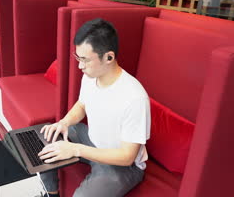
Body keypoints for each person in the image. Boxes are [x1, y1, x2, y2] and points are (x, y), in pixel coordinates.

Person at [38, 18, 151, 197]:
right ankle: (51, 194)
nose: (79, 65)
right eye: (78, 58)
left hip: (122, 164)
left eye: (84, 60)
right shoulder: (90, 76)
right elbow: (82, 104)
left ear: (109, 57)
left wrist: (76, 149)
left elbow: (127, 156)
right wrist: (64, 122)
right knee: (45, 138)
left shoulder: (135, 98)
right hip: (90, 139)